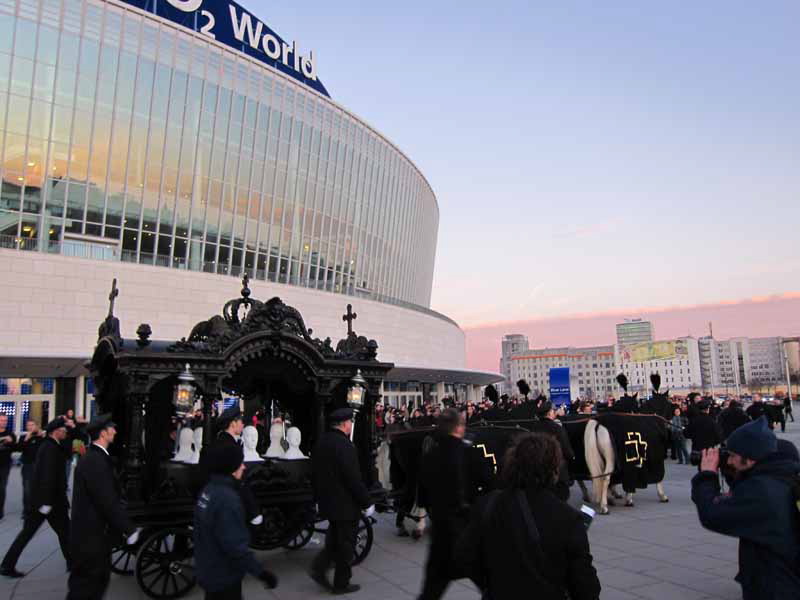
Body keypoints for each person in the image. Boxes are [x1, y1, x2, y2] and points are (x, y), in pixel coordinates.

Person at [455, 432, 601, 600]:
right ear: (553, 469)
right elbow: (586, 588)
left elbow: (464, 556)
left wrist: (491, 583)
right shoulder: (568, 518)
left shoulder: (488, 505)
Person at [691, 417, 800, 599]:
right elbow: (747, 491)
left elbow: (712, 514)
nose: (730, 461)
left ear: (750, 459)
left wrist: (707, 476)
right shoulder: (783, 473)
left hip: (775, 585)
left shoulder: (762, 491)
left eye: (733, 455)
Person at [67, 414, 140, 600]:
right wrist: (129, 529)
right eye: (111, 429)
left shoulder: (96, 457)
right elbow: (107, 500)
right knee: (88, 586)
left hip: (92, 536)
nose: (115, 431)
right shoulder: (95, 461)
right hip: (90, 538)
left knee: (93, 584)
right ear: (103, 433)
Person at [194, 443, 278, 599]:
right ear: (230, 468)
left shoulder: (208, 490)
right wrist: (261, 572)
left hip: (209, 569)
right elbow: (235, 546)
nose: (244, 467)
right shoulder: (228, 499)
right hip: (224, 575)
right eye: (240, 463)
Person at [310, 408, 374, 594]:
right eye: (349, 422)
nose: (350, 425)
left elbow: (315, 473)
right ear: (345, 424)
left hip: (329, 502)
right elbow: (353, 478)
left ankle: (319, 568)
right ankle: (341, 583)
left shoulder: (322, 442)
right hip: (345, 504)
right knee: (346, 545)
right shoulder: (345, 446)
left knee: (334, 541)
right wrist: (366, 501)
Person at [0, 418, 72, 578]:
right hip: (48, 502)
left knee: (63, 531)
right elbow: (47, 476)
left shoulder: (52, 445)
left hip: (46, 501)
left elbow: (68, 450)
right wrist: (46, 502)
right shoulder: (49, 448)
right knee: (64, 531)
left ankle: (7, 565)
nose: (65, 432)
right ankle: (7, 565)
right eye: (63, 430)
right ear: (56, 431)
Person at [416, 408, 469, 600]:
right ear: (458, 428)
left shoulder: (429, 455)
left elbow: (422, 495)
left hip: (440, 530)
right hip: (465, 531)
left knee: (432, 587)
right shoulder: (466, 453)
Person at [530, 401, 575, 501]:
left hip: (537, 472)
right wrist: (572, 456)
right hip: (556, 473)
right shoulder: (557, 428)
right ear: (550, 412)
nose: (555, 413)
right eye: (554, 411)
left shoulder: (533, 428)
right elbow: (566, 449)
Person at [18, 420, 45, 513]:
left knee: (39, 488)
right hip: (27, 466)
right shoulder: (23, 437)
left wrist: (42, 437)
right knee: (27, 489)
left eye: (32, 425)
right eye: (28, 425)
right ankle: (27, 510)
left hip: (39, 467)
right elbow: (19, 449)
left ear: (36, 426)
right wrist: (26, 439)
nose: (30, 427)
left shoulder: (41, 437)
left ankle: (37, 508)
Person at [0, 414, 17, 520]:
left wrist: (11, 442)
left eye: (5, 420)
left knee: (1, 488)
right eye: (1, 420)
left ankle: (0, 511)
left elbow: (16, 448)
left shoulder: (10, 434)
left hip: (5, 465)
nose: (3, 422)